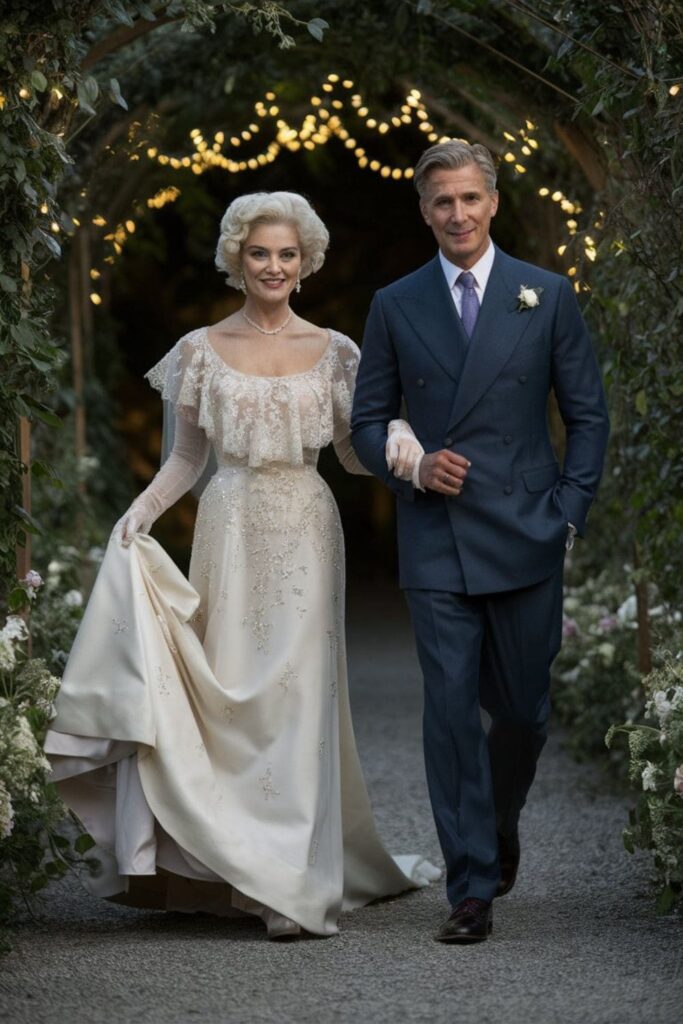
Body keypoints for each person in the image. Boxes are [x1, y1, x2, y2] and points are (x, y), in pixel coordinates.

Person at [44, 191, 438, 940]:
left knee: (297, 699)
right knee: (225, 694)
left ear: (306, 261)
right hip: (227, 525)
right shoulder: (198, 349)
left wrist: (407, 449)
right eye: (260, 253)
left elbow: (355, 455)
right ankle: (228, 865)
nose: (273, 266)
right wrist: (140, 515)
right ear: (236, 257)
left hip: (306, 526)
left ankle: (287, 882)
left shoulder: (337, 352)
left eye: (287, 254)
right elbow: (185, 461)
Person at [352, 141, 610, 943]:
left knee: (524, 712)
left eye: (469, 199)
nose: (456, 215)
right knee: (452, 712)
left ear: (492, 202)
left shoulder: (547, 294)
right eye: (441, 202)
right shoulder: (395, 304)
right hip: (436, 538)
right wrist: (414, 465)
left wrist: (565, 510)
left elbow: (587, 416)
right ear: (423, 210)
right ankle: (469, 886)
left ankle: (497, 824)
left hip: (527, 529)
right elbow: (365, 424)